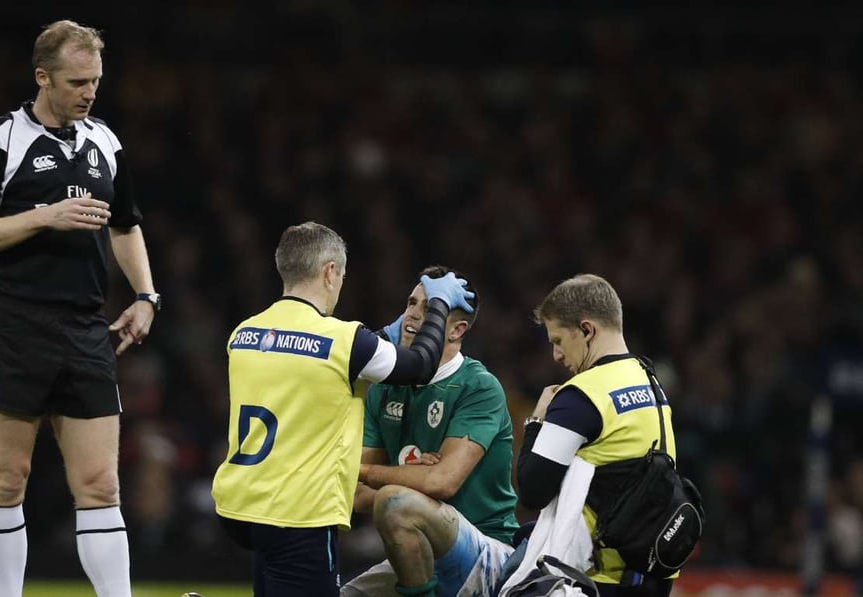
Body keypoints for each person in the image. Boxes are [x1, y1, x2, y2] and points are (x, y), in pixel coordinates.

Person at [0, 20, 158, 597]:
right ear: (42, 77)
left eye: (95, 80)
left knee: (100, 483)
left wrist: (145, 295)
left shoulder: (105, 142)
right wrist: (45, 215)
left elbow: (126, 224)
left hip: (87, 326)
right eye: (76, 81)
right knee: (8, 477)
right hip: (16, 320)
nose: (89, 92)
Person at [211, 222, 476, 597]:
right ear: (330, 271)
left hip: (239, 505)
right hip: (297, 514)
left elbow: (318, 360)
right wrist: (440, 306)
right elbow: (419, 365)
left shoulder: (244, 333)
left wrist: (385, 334)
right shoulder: (344, 339)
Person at [342, 265, 519, 597]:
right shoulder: (384, 389)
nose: (412, 314)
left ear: (456, 330)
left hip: (487, 557)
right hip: (421, 554)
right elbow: (356, 495)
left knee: (394, 501)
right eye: (411, 303)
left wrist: (367, 471)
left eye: (430, 307)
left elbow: (441, 481)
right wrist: (408, 474)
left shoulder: (479, 387)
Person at [516, 274, 678, 597]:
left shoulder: (582, 395)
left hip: (600, 579)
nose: (556, 356)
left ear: (587, 330)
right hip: (655, 573)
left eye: (558, 341)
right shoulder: (650, 381)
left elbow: (532, 490)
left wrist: (535, 422)